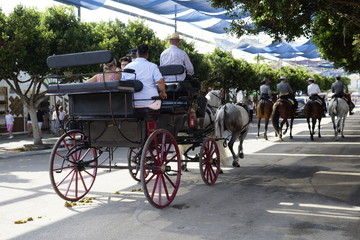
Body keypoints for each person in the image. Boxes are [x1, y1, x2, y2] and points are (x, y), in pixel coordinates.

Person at [122, 44, 167, 110]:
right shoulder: (152, 66)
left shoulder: (127, 67)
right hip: (150, 101)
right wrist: (163, 92)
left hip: (131, 102)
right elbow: (160, 81)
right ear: (147, 55)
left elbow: (123, 84)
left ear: (137, 53)